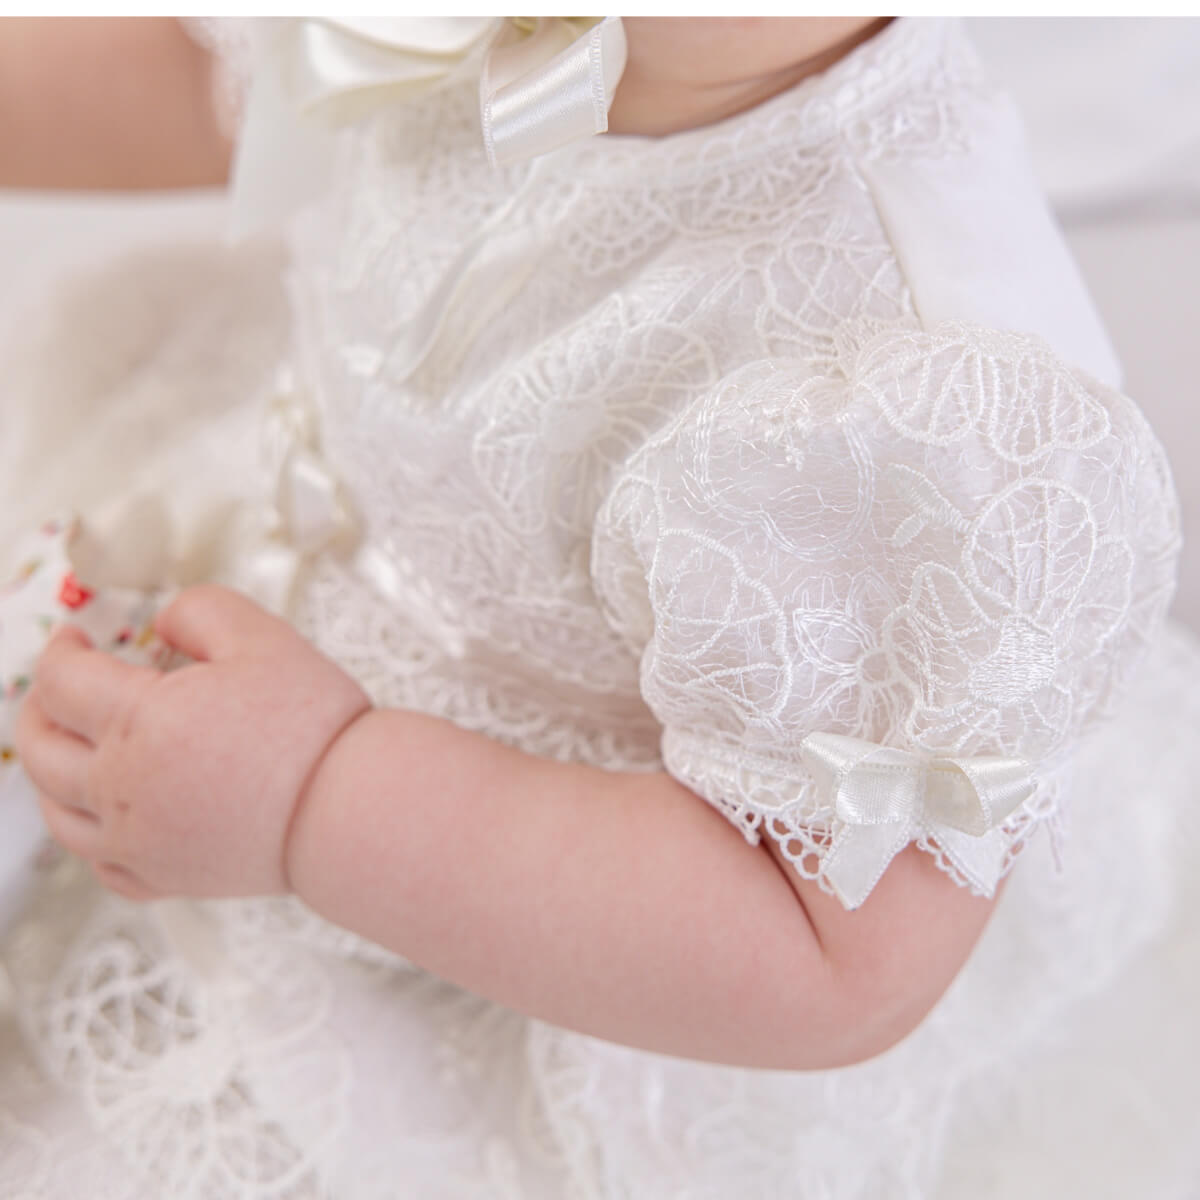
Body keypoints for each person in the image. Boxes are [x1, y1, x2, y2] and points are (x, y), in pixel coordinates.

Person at [1, 16, 1197, 1198]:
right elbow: (230, 84)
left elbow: (832, 956)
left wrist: (310, 796)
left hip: (539, 907)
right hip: (277, 541)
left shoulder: (908, 400)